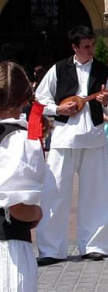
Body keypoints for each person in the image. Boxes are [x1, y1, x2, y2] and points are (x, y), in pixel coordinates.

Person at [35, 25, 108, 265]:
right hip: (64, 138)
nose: (91, 50)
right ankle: (51, 249)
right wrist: (58, 109)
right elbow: (40, 100)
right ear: (74, 47)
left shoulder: (105, 72)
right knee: (55, 193)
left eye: (93, 45)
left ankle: (95, 245)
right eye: (86, 46)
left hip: (93, 137)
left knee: (97, 194)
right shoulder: (58, 69)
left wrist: (106, 103)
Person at [0, 61, 45, 291]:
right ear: (24, 99)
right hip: (8, 247)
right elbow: (17, 207)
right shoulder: (20, 140)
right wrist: (37, 212)